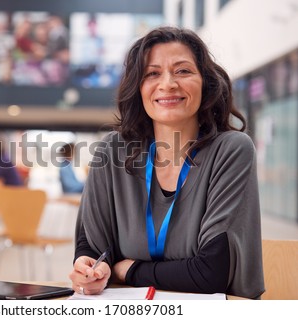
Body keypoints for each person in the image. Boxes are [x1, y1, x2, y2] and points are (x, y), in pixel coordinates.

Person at [69, 26, 264, 299]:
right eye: (152, 73)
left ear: (205, 83)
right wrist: (88, 267)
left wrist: (129, 270)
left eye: (183, 71)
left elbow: (212, 273)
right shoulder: (112, 150)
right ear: (138, 89)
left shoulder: (231, 150)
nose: (168, 84)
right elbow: (92, 246)